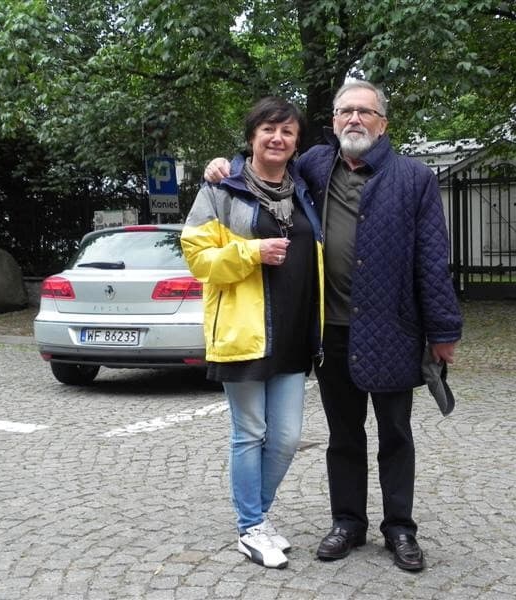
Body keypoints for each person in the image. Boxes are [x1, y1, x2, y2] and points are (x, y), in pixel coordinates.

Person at [204, 80, 462, 572]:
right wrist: (226, 166)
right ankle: (347, 522)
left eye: (365, 112)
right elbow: (264, 167)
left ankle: (400, 528)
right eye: (346, 111)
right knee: (343, 436)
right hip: (331, 332)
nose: (354, 120)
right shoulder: (315, 165)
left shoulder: (413, 177)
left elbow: (432, 258)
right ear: (334, 121)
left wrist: (443, 331)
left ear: (383, 124)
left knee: (396, 433)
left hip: (393, 330)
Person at [181, 97, 324, 569]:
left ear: (296, 143)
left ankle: (255, 518)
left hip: (294, 332)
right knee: (250, 433)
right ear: (251, 137)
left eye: (287, 131)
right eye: (268, 129)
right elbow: (198, 259)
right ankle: (251, 527)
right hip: (243, 332)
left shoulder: (304, 190)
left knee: (286, 437)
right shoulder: (222, 189)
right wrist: (251, 252)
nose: (277, 138)